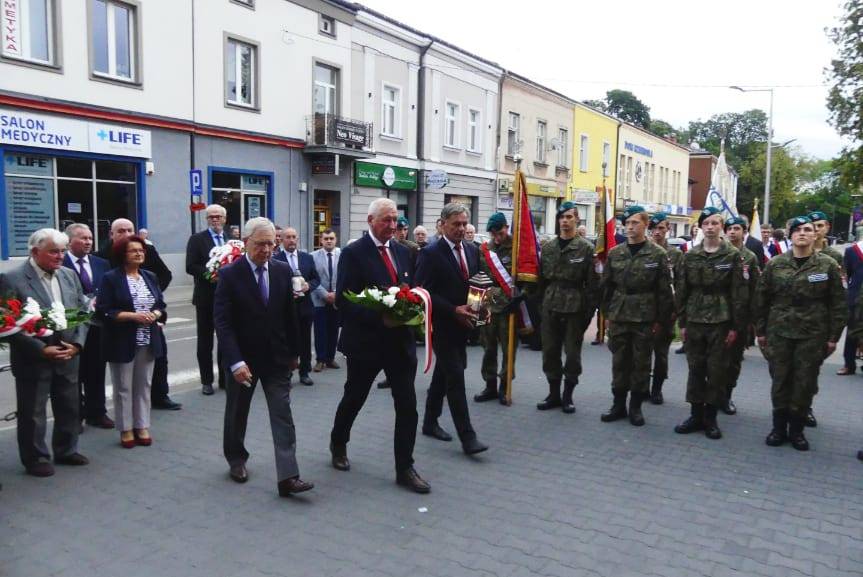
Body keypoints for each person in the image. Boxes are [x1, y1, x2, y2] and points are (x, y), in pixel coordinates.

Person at [330, 198, 430, 494]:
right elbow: (345, 301)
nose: (392, 225)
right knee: (355, 397)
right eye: (386, 220)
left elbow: (408, 291)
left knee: (408, 406)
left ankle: (405, 468)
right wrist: (380, 318)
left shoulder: (403, 251)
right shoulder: (354, 253)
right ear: (370, 220)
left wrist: (413, 311)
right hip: (367, 344)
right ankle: (338, 442)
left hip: (399, 344)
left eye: (395, 220)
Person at [214, 217, 314, 497]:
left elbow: (289, 316)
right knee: (237, 412)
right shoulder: (230, 275)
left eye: (272, 243)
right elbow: (223, 323)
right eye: (261, 244)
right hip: (242, 361)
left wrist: (295, 353)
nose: (268, 250)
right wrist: (235, 361)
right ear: (246, 243)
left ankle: (288, 476)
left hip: (277, 358)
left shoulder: (282, 271)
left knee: (283, 414)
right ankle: (236, 459)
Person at [0, 229, 89, 477]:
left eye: (63, 251)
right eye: (54, 251)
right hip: (34, 359)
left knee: (69, 406)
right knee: (33, 412)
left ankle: (67, 449)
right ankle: (35, 457)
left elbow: (83, 313)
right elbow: (6, 323)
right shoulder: (12, 278)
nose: (60, 257)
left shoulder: (69, 275)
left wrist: (78, 345)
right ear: (35, 252)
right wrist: (41, 349)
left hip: (68, 354)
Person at [757, 216, 846, 451]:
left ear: (816, 234)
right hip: (780, 333)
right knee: (780, 380)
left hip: (812, 334)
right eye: (797, 230)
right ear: (790, 235)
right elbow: (761, 300)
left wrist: (833, 337)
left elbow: (838, 303)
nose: (803, 233)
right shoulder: (775, 264)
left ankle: (796, 430)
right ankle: (778, 428)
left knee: (804, 382)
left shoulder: (827, 265)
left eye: (807, 229)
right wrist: (760, 331)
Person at [416, 203, 488, 455]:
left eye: (464, 223)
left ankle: (429, 421)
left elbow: (475, 284)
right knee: (455, 376)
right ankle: (468, 437)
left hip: (464, 324)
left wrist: (479, 311)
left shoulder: (471, 249)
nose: (460, 228)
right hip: (442, 324)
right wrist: (453, 310)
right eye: (455, 224)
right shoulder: (431, 253)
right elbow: (423, 291)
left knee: (445, 373)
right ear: (443, 224)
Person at [673, 207, 746, 439]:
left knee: (716, 370)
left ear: (721, 228)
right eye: (707, 223)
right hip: (695, 318)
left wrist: (735, 326)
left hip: (721, 319)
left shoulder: (732, 255)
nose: (711, 227)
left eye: (716, 223)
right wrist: (682, 322)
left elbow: (738, 292)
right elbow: (682, 291)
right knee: (696, 368)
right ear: (701, 227)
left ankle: (711, 418)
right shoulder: (690, 256)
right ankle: (695, 414)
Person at [599, 206, 673, 427]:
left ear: (645, 225)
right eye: (627, 223)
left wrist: (661, 320)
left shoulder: (657, 254)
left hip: (644, 315)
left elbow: (664, 291)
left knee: (641, 362)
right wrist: (607, 314)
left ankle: (636, 407)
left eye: (635, 223)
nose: (630, 227)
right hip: (620, 313)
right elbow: (606, 287)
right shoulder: (615, 253)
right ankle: (618, 404)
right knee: (619, 361)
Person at [99, 219, 179, 410]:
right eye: (120, 231)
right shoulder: (102, 256)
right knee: (123, 382)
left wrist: (153, 300)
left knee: (157, 361)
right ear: (111, 234)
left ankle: (160, 396)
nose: (126, 234)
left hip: (149, 322)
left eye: (129, 230)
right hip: (119, 326)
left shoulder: (147, 253)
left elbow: (164, 275)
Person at [98, 236, 167, 448]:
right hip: (122, 340)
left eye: (141, 250)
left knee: (144, 384)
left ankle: (142, 425)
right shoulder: (111, 278)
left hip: (148, 339)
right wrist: (132, 316)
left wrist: (155, 314)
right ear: (122, 255)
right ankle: (126, 428)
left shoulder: (150, 276)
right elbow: (104, 310)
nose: (139, 254)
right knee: (123, 387)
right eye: (133, 251)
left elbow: (160, 305)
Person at [536, 202, 599, 414]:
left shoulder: (586, 248)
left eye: (569, 217)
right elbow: (541, 281)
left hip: (574, 307)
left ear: (577, 220)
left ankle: (567, 396)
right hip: (551, 305)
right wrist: (540, 308)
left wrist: (587, 315)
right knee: (550, 353)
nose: (565, 220)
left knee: (572, 355)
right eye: (562, 217)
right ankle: (553, 393)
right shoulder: (548, 248)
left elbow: (592, 286)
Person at [63, 223, 113, 429]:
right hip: (71, 328)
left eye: (90, 238)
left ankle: (97, 412)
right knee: (73, 375)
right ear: (69, 241)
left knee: (96, 371)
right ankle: (76, 416)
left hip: (97, 327)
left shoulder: (101, 263)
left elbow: (109, 289)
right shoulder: (61, 262)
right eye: (82, 238)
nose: (88, 242)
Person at [474, 212, 520, 404]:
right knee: (488, 347)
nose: (496, 236)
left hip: (509, 307)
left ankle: (504, 386)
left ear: (506, 228)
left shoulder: (517, 249)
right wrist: (474, 308)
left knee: (509, 350)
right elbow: (478, 278)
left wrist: (521, 298)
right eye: (493, 233)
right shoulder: (485, 250)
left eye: (499, 232)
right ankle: (490, 385)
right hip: (488, 306)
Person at [185, 204, 228, 396]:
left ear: (224, 219)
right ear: (207, 219)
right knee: (205, 341)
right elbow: (190, 266)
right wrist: (210, 274)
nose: (215, 220)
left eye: (218, 216)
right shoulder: (197, 239)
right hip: (205, 298)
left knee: (226, 339)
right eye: (211, 217)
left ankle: (225, 379)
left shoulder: (231, 240)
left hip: (227, 299)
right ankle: (206, 381)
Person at [722, 216, 761, 415]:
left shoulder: (750, 257)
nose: (732, 232)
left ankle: (727, 396)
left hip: (739, 318)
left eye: (736, 228)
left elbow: (755, 290)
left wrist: (754, 320)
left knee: (734, 360)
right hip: (715, 316)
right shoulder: (717, 254)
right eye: (728, 228)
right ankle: (711, 397)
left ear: (744, 232)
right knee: (713, 359)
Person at [273, 227, 320, 386]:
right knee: (287, 341)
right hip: (285, 309)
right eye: (288, 237)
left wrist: (309, 286)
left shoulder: (307, 258)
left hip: (305, 307)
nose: (291, 240)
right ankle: (287, 371)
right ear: (282, 240)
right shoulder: (276, 259)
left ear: (297, 239)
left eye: (294, 237)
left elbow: (316, 279)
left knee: (305, 341)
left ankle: (305, 372)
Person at [647, 212, 683, 405]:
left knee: (661, 354)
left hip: (666, 311)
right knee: (642, 353)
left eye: (661, 228)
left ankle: (657, 389)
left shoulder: (675, 254)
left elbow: (680, 284)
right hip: (643, 309)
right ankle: (642, 386)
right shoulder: (645, 250)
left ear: (668, 229)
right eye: (654, 228)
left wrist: (676, 310)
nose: (657, 232)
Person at [311, 229, 341, 373]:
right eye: (326, 239)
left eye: (331, 238)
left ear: (336, 240)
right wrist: (324, 294)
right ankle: (320, 360)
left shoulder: (343, 255)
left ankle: (330, 358)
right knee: (320, 331)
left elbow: (345, 276)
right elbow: (312, 278)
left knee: (334, 330)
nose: (329, 241)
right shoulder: (313, 256)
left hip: (336, 299)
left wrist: (335, 294)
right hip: (319, 299)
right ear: (321, 241)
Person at [840, 235, 863, 376]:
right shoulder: (852, 251)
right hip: (856, 297)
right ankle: (849, 364)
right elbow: (847, 274)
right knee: (852, 330)